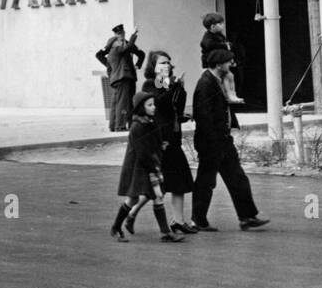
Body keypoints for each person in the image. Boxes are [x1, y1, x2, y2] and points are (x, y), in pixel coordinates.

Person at [191, 49, 269, 232]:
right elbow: (203, 116)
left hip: (223, 140)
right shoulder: (205, 84)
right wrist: (213, 141)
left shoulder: (217, 81)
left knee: (237, 178)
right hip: (212, 142)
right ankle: (198, 219)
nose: (231, 64)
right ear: (218, 65)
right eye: (228, 62)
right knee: (206, 182)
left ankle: (247, 217)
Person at [133, 50, 197, 235]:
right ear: (153, 67)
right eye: (162, 63)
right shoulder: (151, 83)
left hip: (173, 138)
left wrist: (181, 88)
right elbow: (159, 102)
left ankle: (178, 221)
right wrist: (173, 87)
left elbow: (176, 107)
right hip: (160, 140)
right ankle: (130, 213)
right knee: (154, 187)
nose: (166, 66)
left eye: (168, 62)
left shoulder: (168, 83)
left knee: (180, 182)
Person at [110, 92, 184, 243]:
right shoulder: (138, 126)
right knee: (132, 199)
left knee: (156, 196)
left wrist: (160, 146)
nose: (153, 107)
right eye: (149, 105)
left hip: (146, 166)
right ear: (140, 108)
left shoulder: (148, 122)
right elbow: (143, 152)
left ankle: (164, 233)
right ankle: (116, 227)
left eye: (153, 104)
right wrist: (154, 168)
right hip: (139, 168)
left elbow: (153, 143)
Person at [105, 24, 145, 132]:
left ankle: (113, 126)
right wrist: (134, 34)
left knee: (116, 103)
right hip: (124, 78)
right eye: (118, 37)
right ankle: (120, 126)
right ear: (114, 43)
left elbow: (108, 69)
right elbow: (127, 47)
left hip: (118, 79)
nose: (120, 39)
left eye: (122, 34)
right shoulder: (118, 49)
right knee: (123, 102)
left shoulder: (110, 54)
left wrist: (113, 77)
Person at [200, 12, 244, 107]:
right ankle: (229, 95)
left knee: (230, 75)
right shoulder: (208, 38)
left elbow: (227, 45)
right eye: (220, 24)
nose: (223, 25)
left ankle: (232, 94)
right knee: (226, 76)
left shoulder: (220, 35)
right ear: (212, 26)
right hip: (212, 62)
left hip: (220, 61)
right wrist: (224, 46)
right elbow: (208, 45)